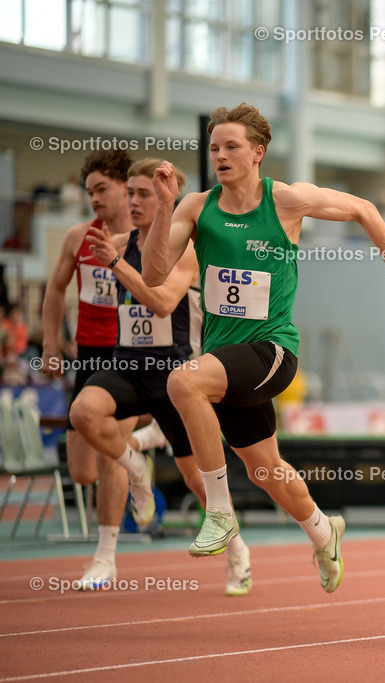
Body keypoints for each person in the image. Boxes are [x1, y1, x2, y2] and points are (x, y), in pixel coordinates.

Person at [141, 103, 385, 593]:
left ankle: (219, 511)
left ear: (258, 152)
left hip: (272, 350)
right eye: (215, 148)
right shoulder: (196, 207)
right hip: (225, 362)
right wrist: (165, 205)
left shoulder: (287, 202)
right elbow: (152, 276)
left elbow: (365, 209)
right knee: (267, 470)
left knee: (182, 380)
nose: (221, 156)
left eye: (232, 146)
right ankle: (323, 531)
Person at [70, 158, 253, 596]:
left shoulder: (186, 252)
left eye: (144, 194)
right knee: (84, 413)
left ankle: (237, 551)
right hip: (128, 365)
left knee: (196, 479)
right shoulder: (115, 243)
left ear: (167, 200)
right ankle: (134, 474)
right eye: (129, 193)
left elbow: (162, 304)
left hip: (174, 375)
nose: (133, 201)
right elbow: (103, 298)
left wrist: (116, 263)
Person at [40, 149, 137, 590]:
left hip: (131, 352)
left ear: (124, 187)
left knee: (111, 451)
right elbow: (56, 289)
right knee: (82, 471)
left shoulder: (146, 237)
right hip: (88, 353)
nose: (95, 198)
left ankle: (105, 557)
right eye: (90, 191)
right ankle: (138, 452)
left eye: (102, 189)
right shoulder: (79, 235)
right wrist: (50, 344)